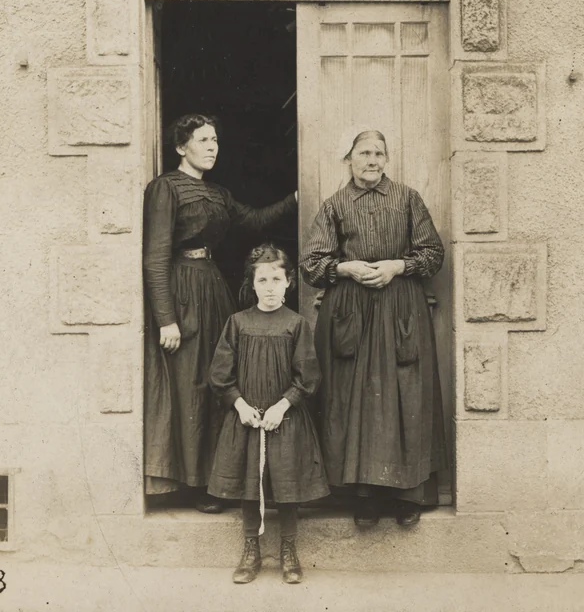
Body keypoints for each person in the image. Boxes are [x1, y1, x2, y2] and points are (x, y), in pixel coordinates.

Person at [143, 114, 297, 511]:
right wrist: (165, 318)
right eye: (203, 140)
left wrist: (296, 199)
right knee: (191, 384)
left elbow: (255, 221)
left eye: (215, 140)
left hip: (212, 289)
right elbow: (155, 257)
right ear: (182, 147)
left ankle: (219, 480)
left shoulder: (218, 194)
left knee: (222, 379)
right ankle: (193, 484)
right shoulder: (165, 188)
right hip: (182, 292)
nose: (212, 147)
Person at [300, 129, 446, 527]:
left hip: (401, 309)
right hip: (351, 313)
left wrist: (397, 266)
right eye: (364, 152)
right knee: (354, 402)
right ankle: (363, 498)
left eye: (379, 153)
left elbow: (433, 253)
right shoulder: (335, 205)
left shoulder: (408, 199)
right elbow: (312, 265)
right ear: (348, 159)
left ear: (387, 159)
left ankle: (408, 495)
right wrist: (345, 268)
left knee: (406, 397)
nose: (372, 160)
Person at [207, 244, 329, 584]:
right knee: (251, 486)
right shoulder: (238, 323)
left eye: (277, 279)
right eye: (263, 280)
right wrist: (240, 405)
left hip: (284, 419)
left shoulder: (297, 324)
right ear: (253, 283)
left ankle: (289, 551)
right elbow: (220, 375)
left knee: (286, 486)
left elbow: (308, 377)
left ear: (289, 282)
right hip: (247, 419)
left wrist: (283, 404)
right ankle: (251, 551)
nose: (271, 287)